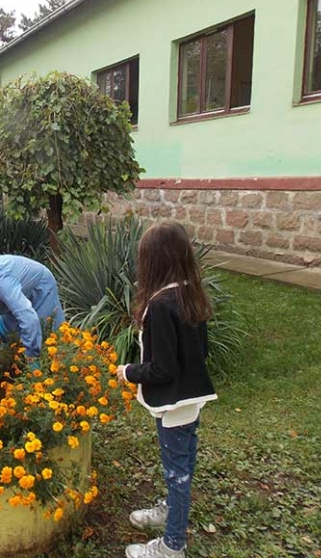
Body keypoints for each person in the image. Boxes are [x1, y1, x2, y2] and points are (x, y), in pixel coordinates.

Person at [116, 221, 217, 558]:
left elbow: (162, 370)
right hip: (192, 399)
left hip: (174, 404)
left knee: (177, 471)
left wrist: (128, 372)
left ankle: (173, 545)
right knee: (182, 463)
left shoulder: (160, 305)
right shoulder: (190, 291)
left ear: (153, 261)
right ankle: (170, 509)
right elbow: (200, 353)